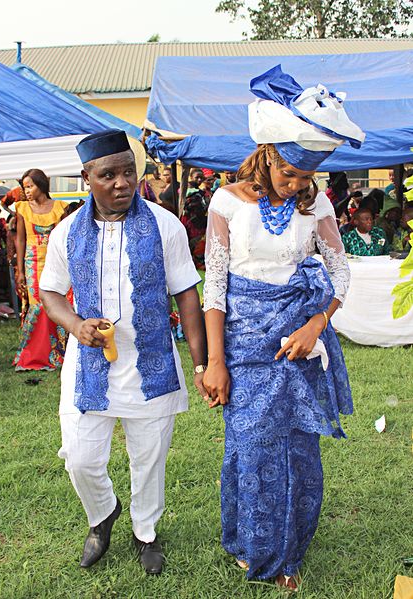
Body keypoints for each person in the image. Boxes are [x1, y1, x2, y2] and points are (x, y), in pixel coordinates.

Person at [202, 65, 365, 592]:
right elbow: (216, 288)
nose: (297, 186)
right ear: (269, 153)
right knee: (250, 449)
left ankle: (289, 551)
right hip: (244, 347)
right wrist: (215, 361)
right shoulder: (226, 202)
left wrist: (317, 324)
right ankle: (253, 545)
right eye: (289, 174)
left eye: (305, 178)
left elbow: (340, 271)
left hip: (298, 342)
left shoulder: (314, 204)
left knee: (297, 450)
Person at [39, 129, 207, 573]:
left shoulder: (164, 225)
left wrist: (201, 360)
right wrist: (76, 324)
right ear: (86, 177)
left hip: (150, 364)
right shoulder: (65, 233)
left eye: (128, 171)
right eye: (108, 174)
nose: (121, 183)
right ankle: (102, 515)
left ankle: (145, 532)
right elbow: (51, 292)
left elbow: (187, 293)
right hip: (88, 366)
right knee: (80, 457)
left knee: (148, 458)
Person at [13, 169, 68, 370]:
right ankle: (36, 353)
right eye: (24, 187)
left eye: (30, 186)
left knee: (58, 302)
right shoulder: (22, 209)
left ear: (41, 185)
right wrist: (19, 270)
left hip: (56, 261)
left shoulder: (60, 207)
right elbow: (20, 239)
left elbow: (63, 239)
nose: (26, 191)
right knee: (38, 305)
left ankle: (59, 351)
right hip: (32, 263)